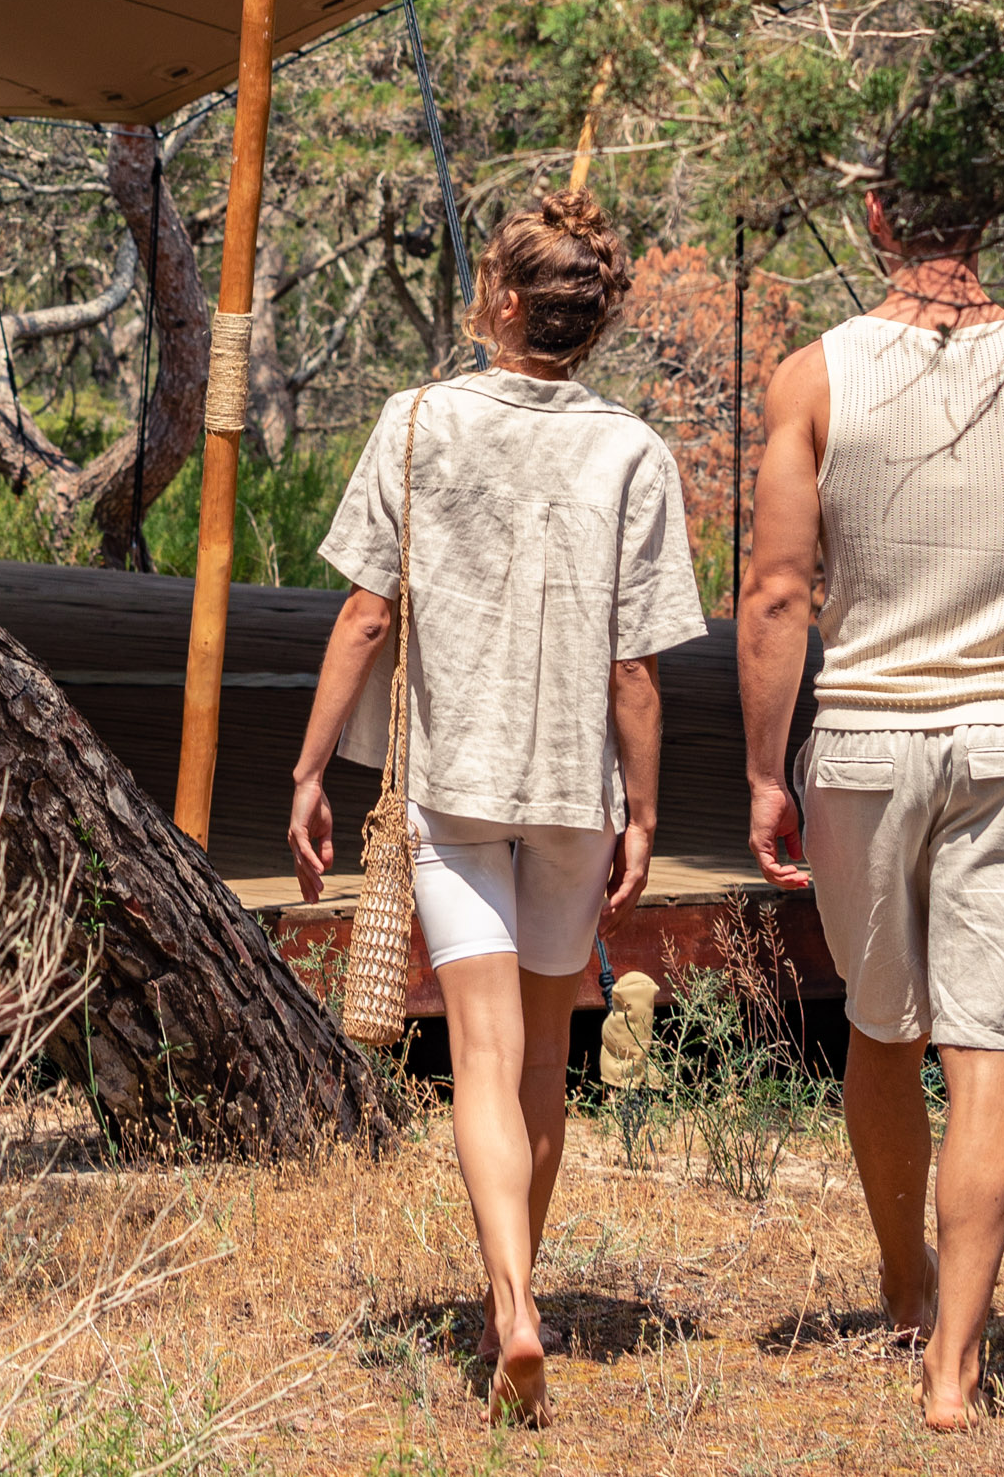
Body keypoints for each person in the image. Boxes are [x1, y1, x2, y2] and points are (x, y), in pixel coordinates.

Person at [287, 194, 702, 1427]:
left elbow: (365, 615)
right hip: (575, 790)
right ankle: (515, 1303)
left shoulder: (414, 424)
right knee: (541, 1059)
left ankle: (509, 1302)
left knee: (476, 1054)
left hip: (452, 783)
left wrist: (312, 768)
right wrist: (643, 810)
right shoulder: (633, 450)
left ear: (507, 303)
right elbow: (636, 667)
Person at [744, 170, 1004, 1433]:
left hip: (864, 735)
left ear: (873, 215)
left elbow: (774, 594)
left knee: (882, 1025)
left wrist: (765, 767)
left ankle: (901, 1281)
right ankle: (956, 1368)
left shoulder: (815, 375)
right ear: (996, 218)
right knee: (991, 1046)